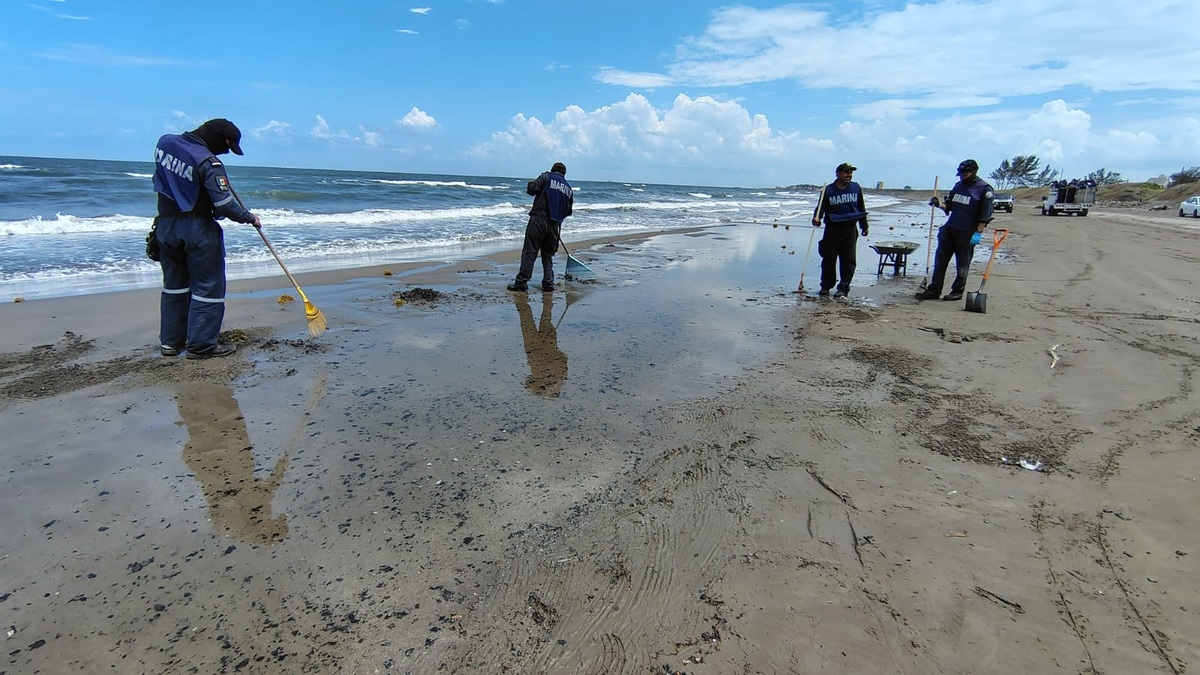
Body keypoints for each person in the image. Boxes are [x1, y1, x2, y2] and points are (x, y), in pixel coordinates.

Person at [153, 118, 261, 359]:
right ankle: (201, 346)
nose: (226, 153)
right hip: (198, 229)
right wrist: (249, 218)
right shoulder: (210, 163)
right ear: (219, 140)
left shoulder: (164, 144)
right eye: (228, 147)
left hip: (166, 225)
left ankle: (171, 343)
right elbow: (224, 205)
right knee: (208, 288)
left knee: (175, 287)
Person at [915, 159, 994, 301]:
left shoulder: (984, 190)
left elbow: (985, 215)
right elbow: (949, 206)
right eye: (961, 173)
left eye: (965, 173)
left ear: (973, 172)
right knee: (940, 261)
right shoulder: (958, 186)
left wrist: (978, 232)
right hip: (950, 229)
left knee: (962, 264)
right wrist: (938, 204)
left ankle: (957, 291)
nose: (962, 176)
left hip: (967, 232)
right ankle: (934, 289)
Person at [508, 162, 573, 292]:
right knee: (547, 255)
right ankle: (548, 283)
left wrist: (530, 183)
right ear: (564, 174)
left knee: (530, 251)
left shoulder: (546, 177)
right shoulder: (568, 189)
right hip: (554, 225)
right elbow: (568, 211)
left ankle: (521, 282)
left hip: (538, 219)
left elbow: (532, 190)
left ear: (553, 170)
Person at [811, 162, 869, 298]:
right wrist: (817, 218)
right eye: (846, 172)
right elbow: (820, 207)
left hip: (850, 228)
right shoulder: (828, 190)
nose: (849, 175)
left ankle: (843, 288)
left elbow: (861, 207)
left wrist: (864, 225)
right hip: (833, 229)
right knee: (828, 259)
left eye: (850, 173)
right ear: (837, 174)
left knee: (848, 260)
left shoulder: (856, 188)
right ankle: (826, 286)